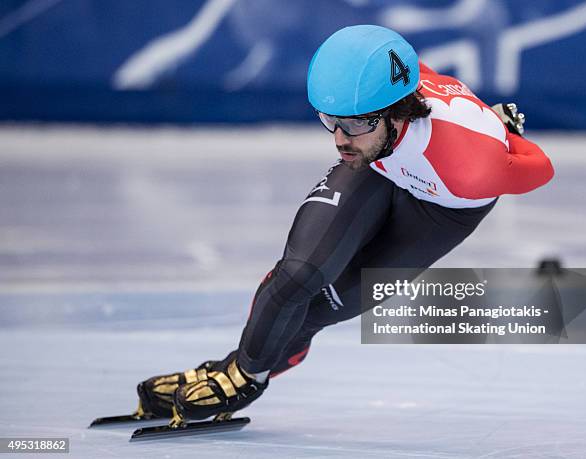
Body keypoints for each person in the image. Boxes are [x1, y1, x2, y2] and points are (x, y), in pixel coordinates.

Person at [137, 25, 554, 423]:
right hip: (380, 165)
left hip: (440, 210)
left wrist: (504, 135)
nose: (339, 139)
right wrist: (361, 129)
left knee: (319, 309)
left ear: (397, 111)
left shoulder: (472, 169)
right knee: (299, 275)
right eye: (329, 120)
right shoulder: (370, 126)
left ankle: (238, 371)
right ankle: (242, 374)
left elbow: (542, 168)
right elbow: (404, 66)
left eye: (353, 124)